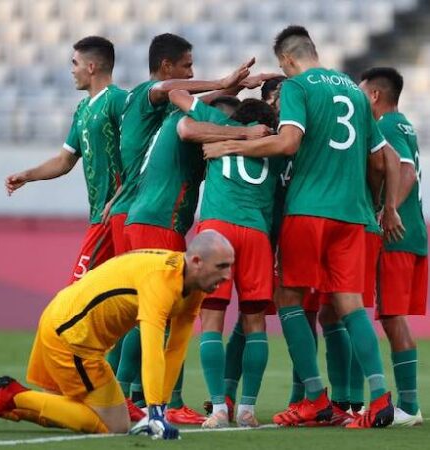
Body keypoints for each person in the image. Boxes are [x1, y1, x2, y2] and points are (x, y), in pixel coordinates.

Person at [203, 25, 404, 429]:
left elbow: (288, 143)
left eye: (281, 65)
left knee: (288, 296)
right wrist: (386, 207)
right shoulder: (354, 92)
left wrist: (232, 144)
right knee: (348, 302)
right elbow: (383, 160)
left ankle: (315, 397)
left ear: (289, 60)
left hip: (309, 209)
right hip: (353, 214)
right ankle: (380, 398)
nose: (284, 71)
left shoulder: (299, 87)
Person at [107, 33, 255, 425]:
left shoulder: (163, 119)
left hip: (140, 213)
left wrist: (231, 88)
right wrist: (238, 120)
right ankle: (140, 398)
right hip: (157, 220)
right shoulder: (159, 102)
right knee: (157, 310)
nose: (192, 74)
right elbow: (188, 120)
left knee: (146, 309)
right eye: (187, 66)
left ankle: (131, 395)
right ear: (168, 66)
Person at [0, 231, 234, 440]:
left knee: (60, 407)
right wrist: (154, 411)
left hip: (62, 321)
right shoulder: (162, 282)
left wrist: (161, 408)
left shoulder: (192, 285)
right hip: (73, 340)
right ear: (197, 261)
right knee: (115, 425)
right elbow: (153, 348)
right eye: (221, 266)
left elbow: (175, 349)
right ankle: (12, 395)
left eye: (229, 267)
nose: (226, 276)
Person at [170, 89, 284, 428]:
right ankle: (247, 408)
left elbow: (180, 99)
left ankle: (219, 408)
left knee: (212, 322)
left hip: (218, 229)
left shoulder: (221, 126)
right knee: (255, 324)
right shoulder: (275, 149)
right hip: (256, 233)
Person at [4, 36, 128, 284]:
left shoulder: (118, 101)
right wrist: (26, 176)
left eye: (75, 63)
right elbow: (64, 161)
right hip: (99, 215)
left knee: (76, 294)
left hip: (116, 213)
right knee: (109, 298)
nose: (72, 70)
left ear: (91, 67)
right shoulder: (83, 110)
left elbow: (137, 155)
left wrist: (119, 196)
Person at [360, 67, 427, 427]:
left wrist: (390, 211)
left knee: (392, 316)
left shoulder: (384, 126)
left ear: (374, 95)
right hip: (416, 233)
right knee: (394, 316)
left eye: (361, 91)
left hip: (398, 234)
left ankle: (409, 406)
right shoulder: (405, 125)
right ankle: (410, 404)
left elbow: (405, 170)